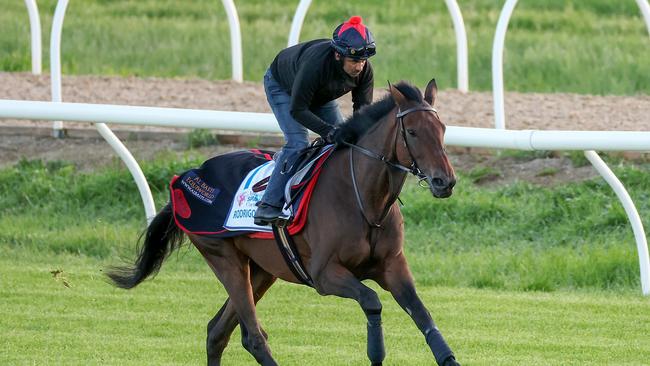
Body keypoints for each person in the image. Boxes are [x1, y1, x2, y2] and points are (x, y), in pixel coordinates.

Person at [253, 15, 377, 226]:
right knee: (298, 144)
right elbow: (298, 109)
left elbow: (362, 113)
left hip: (320, 95)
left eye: (364, 60)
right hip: (283, 87)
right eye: (355, 60)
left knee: (344, 143)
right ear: (338, 55)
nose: (359, 67)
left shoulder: (365, 72)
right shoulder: (315, 65)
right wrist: (328, 130)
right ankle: (268, 205)